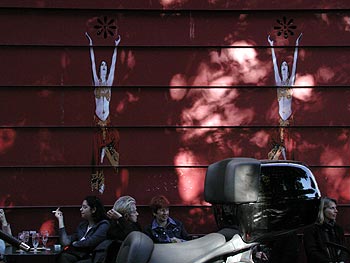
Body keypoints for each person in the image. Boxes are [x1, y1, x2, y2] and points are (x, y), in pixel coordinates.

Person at [85, 32, 121, 194]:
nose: (104, 68)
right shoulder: (97, 84)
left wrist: (116, 46)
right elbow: (92, 63)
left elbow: (114, 64)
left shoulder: (109, 83)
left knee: (110, 148)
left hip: (107, 121)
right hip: (98, 121)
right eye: (102, 66)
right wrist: (91, 44)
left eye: (105, 66)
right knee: (96, 154)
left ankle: (104, 182)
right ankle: (98, 183)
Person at [267, 33, 302, 160]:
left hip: (288, 119)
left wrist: (297, 44)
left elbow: (296, 63)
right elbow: (274, 64)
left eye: (285, 67)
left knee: (288, 146)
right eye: (282, 68)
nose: (283, 69)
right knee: (280, 146)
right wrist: (271, 46)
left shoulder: (290, 84)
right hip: (281, 120)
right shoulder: (278, 83)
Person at [53, 196, 110, 263]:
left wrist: (75, 244)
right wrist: (60, 220)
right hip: (81, 255)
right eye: (81, 207)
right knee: (62, 257)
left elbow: (91, 242)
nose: (81, 209)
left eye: (84, 207)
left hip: (93, 257)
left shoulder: (103, 225)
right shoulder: (83, 226)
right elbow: (65, 242)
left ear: (93, 210)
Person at [303, 196, 350, 263]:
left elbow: (343, 249)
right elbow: (312, 252)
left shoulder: (338, 229)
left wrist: (341, 261)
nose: (336, 211)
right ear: (322, 210)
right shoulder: (311, 229)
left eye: (335, 208)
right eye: (332, 208)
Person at [101, 196, 142, 263]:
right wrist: (121, 219)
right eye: (134, 211)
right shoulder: (113, 229)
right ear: (126, 216)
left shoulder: (136, 226)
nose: (137, 214)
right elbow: (131, 236)